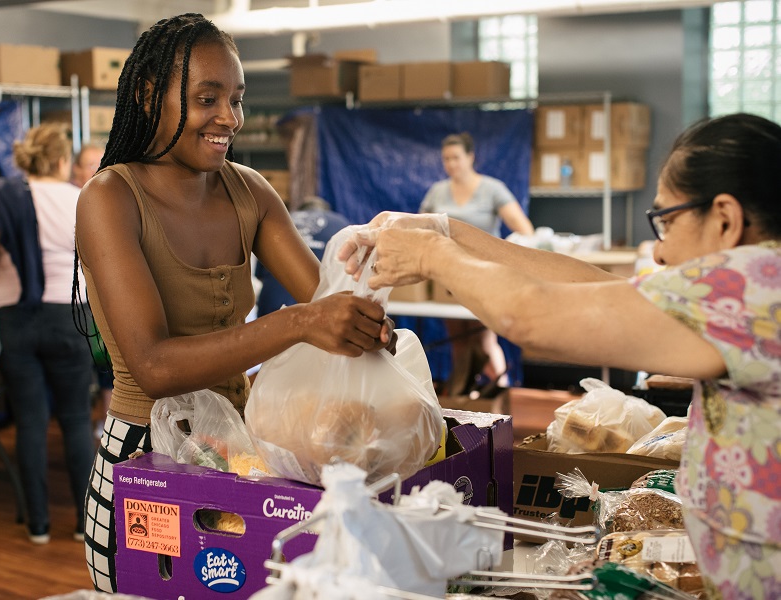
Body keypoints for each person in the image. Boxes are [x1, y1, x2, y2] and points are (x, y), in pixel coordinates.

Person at [343, 113, 781, 598]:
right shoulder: (758, 287)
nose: (658, 253)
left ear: (724, 219)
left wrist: (432, 256)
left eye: (666, 222)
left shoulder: (750, 286)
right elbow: (602, 288)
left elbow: (532, 317)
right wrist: (448, 232)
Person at [72, 14, 393, 592]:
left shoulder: (249, 192)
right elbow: (155, 366)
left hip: (239, 453)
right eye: (207, 98)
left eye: (237, 99)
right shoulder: (110, 198)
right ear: (150, 96)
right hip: (145, 460)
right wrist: (303, 323)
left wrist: (367, 312)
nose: (229, 118)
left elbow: (326, 299)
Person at [0, 123, 95, 545]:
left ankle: (38, 524)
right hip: (70, 317)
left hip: (15, 319)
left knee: (30, 421)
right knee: (77, 420)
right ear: (62, 161)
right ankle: (83, 523)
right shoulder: (81, 199)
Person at [419, 132, 534, 395]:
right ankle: (464, 401)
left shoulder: (492, 189)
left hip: (484, 275)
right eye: (446, 159)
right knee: (458, 342)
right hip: (447, 276)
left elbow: (524, 229)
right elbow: (420, 228)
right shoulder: (437, 192)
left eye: (456, 157)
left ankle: (501, 398)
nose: (451, 164)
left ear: (470, 157)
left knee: (483, 340)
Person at [69, 142, 112, 440]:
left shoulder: (108, 199)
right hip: (75, 304)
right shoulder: (69, 201)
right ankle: (88, 426)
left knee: (108, 367)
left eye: (99, 162)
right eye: (88, 164)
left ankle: (106, 424)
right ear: (73, 169)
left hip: (103, 300)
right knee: (87, 367)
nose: (95, 169)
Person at [255, 195, 351, 316]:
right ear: (326, 210)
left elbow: (260, 275)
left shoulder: (282, 218)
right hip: (321, 312)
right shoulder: (340, 224)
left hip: (272, 309)